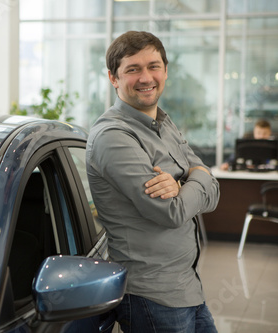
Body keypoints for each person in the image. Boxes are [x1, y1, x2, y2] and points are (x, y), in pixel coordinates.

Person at [86, 31, 220, 332]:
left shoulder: (163, 121)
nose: (146, 77)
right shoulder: (113, 137)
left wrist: (188, 183)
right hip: (152, 297)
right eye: (133, 69)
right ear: (113, 78)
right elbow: (171, 212)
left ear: (166, 71)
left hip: (187, 286)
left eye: (153, 66)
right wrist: (197, 177)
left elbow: (215, 190)